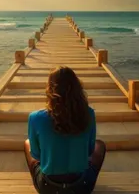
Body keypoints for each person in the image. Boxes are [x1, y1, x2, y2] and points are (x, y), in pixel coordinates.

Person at [24, 66, 106, 194]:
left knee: (27, 143)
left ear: (50, 89)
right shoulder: (88, 114)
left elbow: (36, 154)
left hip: (48, 187)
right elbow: (89, 151)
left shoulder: (35, 117)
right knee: (99, 145)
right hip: (81, 186)